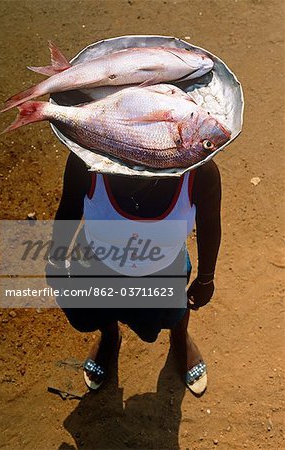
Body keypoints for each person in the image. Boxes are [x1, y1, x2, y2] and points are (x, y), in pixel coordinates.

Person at [46, 151, 221, 395]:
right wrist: (55, 260)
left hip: (163, 270)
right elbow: (69, 209)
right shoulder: (85, 159)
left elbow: (210, 225)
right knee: (100, 309)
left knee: (173, 311)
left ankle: (180, 338)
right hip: (98, 264)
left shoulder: (199, 172)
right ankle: (110, 336)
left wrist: (206, 278)